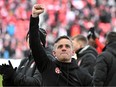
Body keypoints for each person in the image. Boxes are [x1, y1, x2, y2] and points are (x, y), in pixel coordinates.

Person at [29, 4, 92, 86]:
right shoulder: (47, 66)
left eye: (67, 46)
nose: (64, 48)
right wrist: (34, 18)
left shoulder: (83, 76)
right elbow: (35, 45)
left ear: (73, 52)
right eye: (60, 46)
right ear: (54, 53)